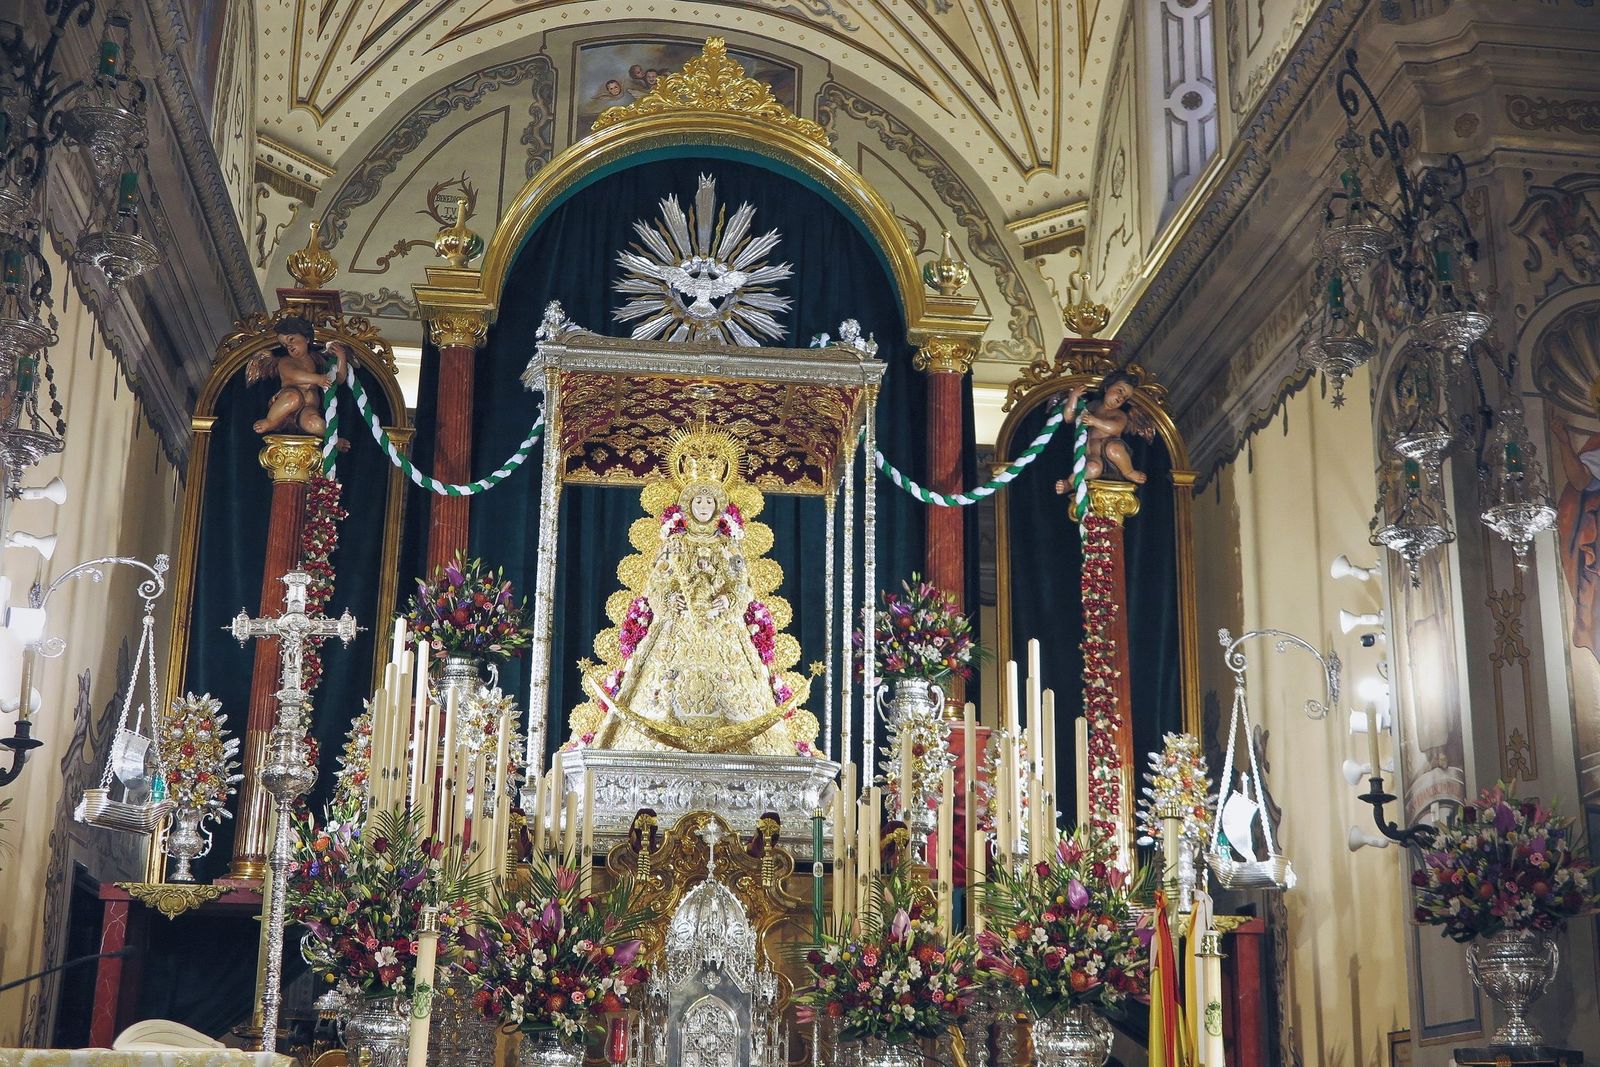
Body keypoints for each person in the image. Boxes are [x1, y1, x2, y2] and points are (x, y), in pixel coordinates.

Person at [579, 426, 815, 756]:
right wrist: (667, 599)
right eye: (698, 500)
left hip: (723, 632)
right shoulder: (674, 544)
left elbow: (742, 586)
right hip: (676, 626)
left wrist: (728, 600)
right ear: (688, 505)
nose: (703, 506)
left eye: (709, 501)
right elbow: (656, 583)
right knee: (659, 692)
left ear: (717, 506)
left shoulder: (728, 547)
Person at [246, 317, 349, 436]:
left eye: (291, 339)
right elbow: (293, 375)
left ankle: (332, 439)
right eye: (285, 344)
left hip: (309, 406)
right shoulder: (285, 361)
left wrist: (341, 356)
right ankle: (270, 421)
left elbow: (338, 379)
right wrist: (318, 379)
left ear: (306, 338)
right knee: (293, 397)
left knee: (314, 423)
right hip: (289, 402)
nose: (289, 345)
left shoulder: (318, 360)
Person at [1053, 369, 1148, 492]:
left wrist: (1095, 421)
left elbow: (1115, 428)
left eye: (1125, 398)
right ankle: (1070, 483)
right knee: (1092, 468)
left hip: (1111, 453)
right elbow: (1069, 417)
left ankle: (1128, 471)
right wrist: (1073, 397)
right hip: (1093, 453)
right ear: (1107, 387)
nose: (1121, 398)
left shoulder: (1119, 414)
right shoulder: (1092, 406)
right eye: (1120, 391)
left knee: (1114, 448)